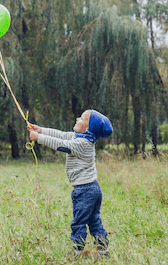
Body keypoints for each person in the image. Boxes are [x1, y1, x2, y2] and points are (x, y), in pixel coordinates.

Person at [28, 109, 113, 256]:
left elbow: (61, 144)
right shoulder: (80, 137)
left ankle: (77, 250)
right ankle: (103, 248)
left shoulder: (83, 143)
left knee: (79, 222)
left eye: (81, 119)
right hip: (92, 189)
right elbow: (61, 135)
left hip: (85, 190)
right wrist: (41, 130)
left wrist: (38, 138)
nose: (77, 118)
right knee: (93, 221)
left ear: (88, 127)